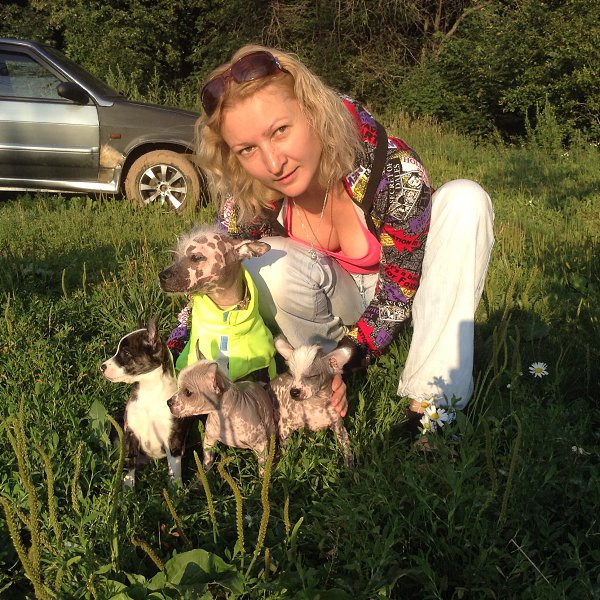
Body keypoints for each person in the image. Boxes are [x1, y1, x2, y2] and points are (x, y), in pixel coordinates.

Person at [182, 44, 494, 422]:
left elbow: (398, 290)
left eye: (280, 131)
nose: (273, 163)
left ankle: (433, 404)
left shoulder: (391, 170)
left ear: (313, 112)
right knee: (264, 263)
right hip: (334, 304)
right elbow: (208, 273)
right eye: (248, 149)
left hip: (412, 293)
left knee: (465, 199)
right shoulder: (251, 197)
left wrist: (352, 352)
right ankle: (319, 374)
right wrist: (172, 351)